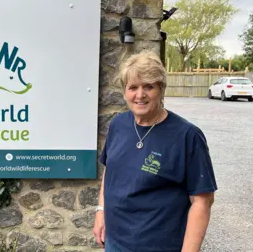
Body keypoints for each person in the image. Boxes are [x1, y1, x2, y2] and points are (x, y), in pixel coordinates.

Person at [92, 50, 217, 252]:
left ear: (161, 89)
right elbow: (110, 171)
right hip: (115, 242)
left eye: (148, 87)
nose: (140, 95)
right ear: (125, 92)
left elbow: (202, 201)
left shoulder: (187, 136)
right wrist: (101, 210)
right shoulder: (118, 125)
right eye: (133, 87)